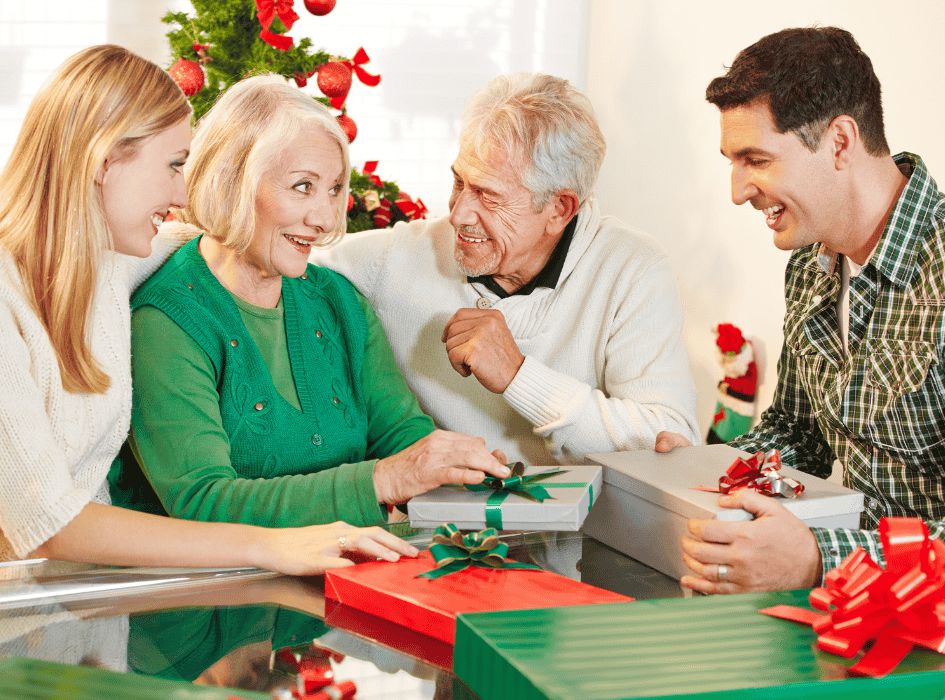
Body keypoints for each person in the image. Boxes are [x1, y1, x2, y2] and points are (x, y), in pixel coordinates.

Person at [0, 45, 417, 573]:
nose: (182, 190)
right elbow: (48, 524)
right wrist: (268, 547)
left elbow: (209, 238)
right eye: (174, 165)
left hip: (89, 616)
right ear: (106, 161)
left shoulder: (110, 257)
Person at [112, 74, 512, 530]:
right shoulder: (167, 322)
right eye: (303, 186)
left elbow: (401, 431)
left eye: (335, 188)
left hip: (351, 572)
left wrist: (453, 468)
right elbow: (203, 503)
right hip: (221, 593)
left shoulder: (338, 300)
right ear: (232, 180)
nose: (323, 218)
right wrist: (381, 481)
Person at [666, 26, 945, 594]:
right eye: (732, 162)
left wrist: (822, 558)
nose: (738, 190)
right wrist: (702, 467)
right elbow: (800, 435)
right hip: (848, 611)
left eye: (756, 160)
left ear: (840, 142)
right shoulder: (809, 266)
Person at [312, 73, 699, 466]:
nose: (459, 213)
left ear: (559, 209)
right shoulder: (397, 256)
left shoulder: (632, 270)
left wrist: (518, 376)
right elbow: (281, 259)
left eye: (487, 195)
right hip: (445, 522)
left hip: (589, 525)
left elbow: (669, 438)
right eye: (459, 182)